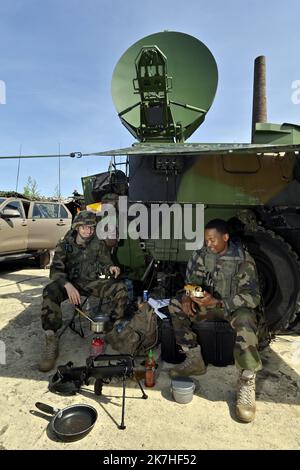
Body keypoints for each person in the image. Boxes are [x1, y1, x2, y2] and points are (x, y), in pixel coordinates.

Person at [169, 218, 262, 423]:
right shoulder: (201, 255)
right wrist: (188, 296)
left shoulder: (243, 260)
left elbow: (253, 297)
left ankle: (246, 382)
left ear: (225, 237)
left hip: (231, 308)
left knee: (246, 321)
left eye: (212, 240)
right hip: (207, 304)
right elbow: (191, 283)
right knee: (175, 304)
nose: (208, 244)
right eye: (206, 240)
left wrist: (220, 303)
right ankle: (194, 359)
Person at [38, 210, 128, 372]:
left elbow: (105, 263)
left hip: (90, 282)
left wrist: (111, 267)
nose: (88, 231)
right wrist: (68, 285)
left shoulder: (97, 243)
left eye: (92, 227)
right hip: (69, 283)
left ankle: (113, 329)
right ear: (77, 227)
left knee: (120, 288)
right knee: (49, 291)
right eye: (85, 227)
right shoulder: (65, 244)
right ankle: (51, 338)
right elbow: (55, 271)